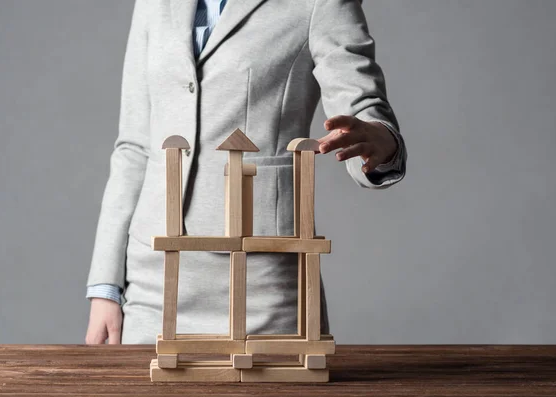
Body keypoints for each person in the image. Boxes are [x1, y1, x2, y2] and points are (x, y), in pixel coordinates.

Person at [85, 0, 407, 345]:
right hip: (152, 280)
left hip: (261, 276)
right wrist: (106, 287)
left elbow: (361, 110)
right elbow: (134, 147)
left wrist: (380, 142)